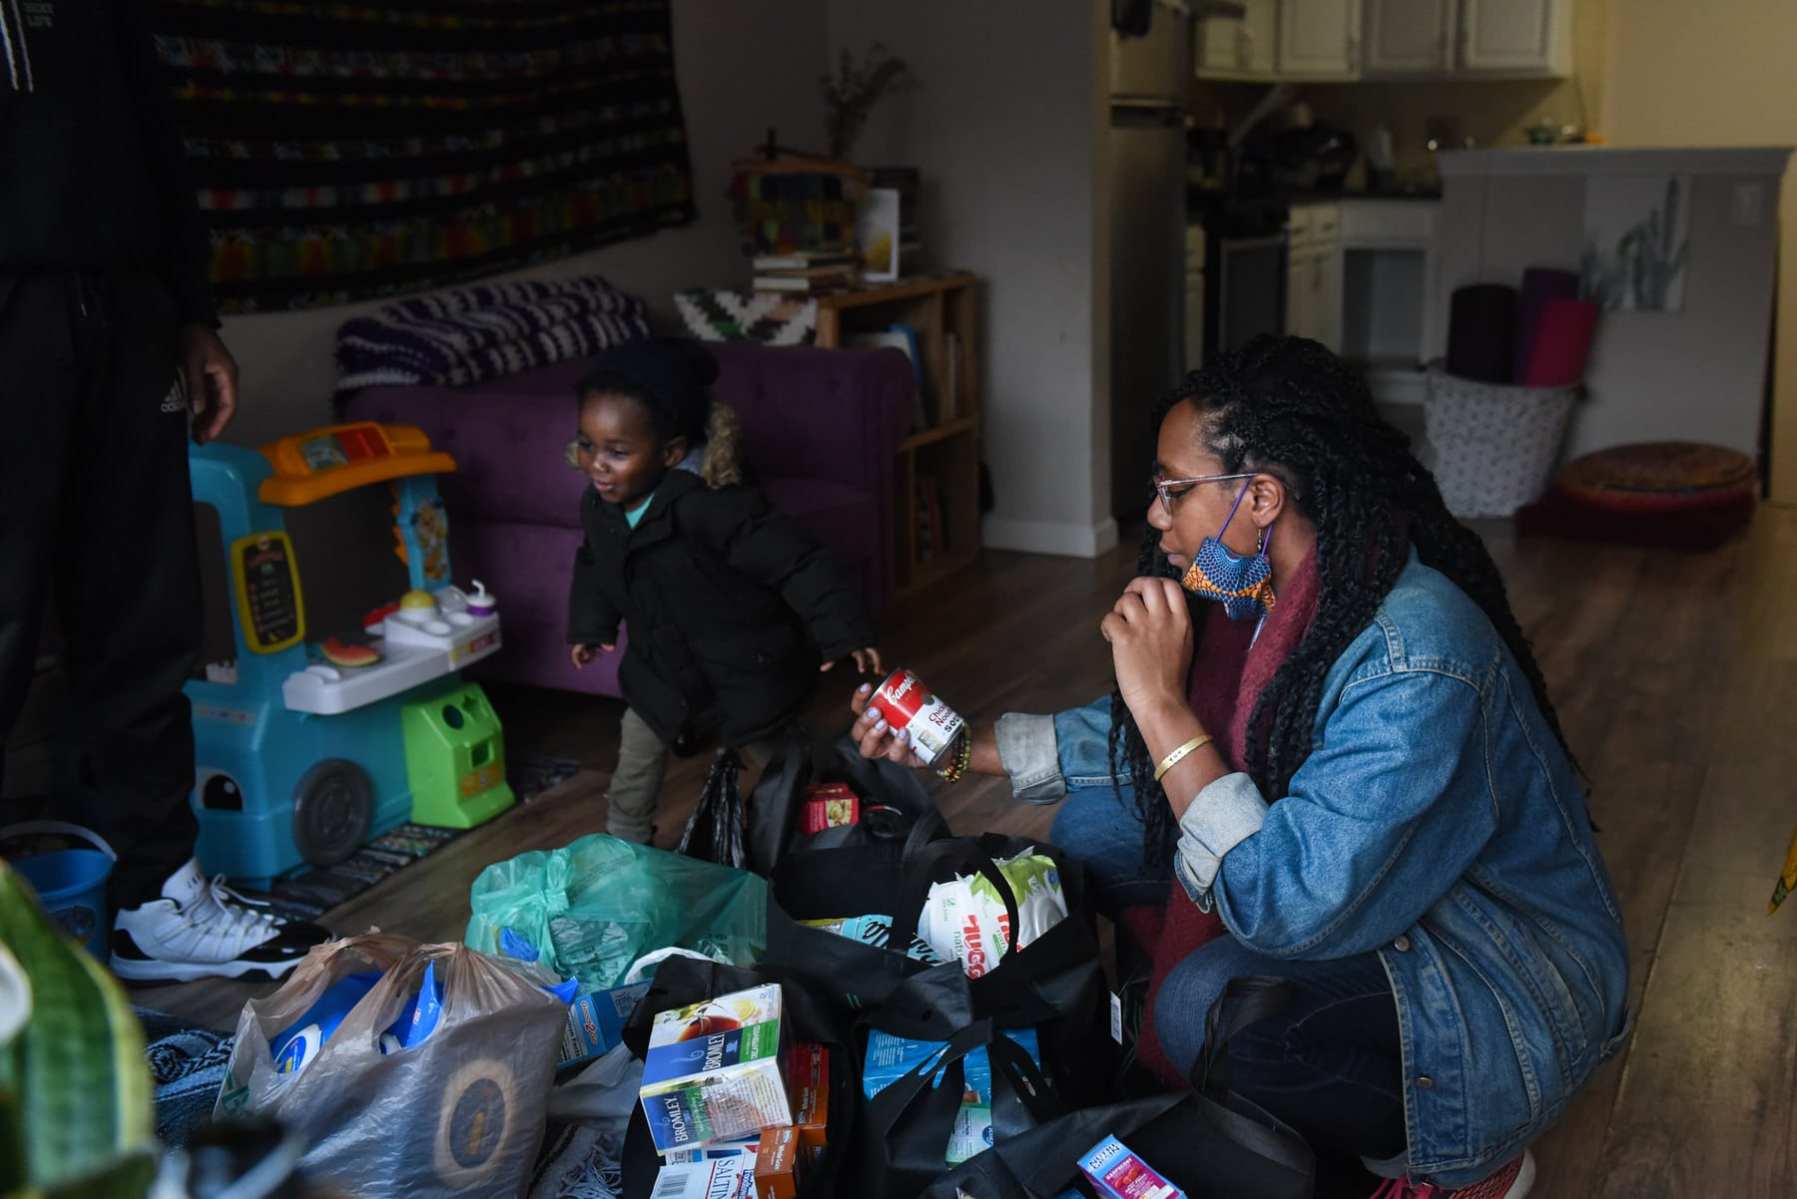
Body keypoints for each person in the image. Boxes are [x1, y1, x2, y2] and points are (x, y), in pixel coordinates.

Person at [852, 337, 1629, 1198]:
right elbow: (1143, 747)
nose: (1153, 514)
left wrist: (1161, 705)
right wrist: (958, 745)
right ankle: (1232, 1061)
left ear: (1259, 496)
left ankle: (1457, 1162)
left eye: (1171, 490)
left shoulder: (1413, 659)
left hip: (1490, 970)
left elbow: (1281, 903)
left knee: (1206, 1005)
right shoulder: (1268, 591)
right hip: (1372, 892)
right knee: (1092, 831)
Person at [0, 0, 330, 980]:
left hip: (124, 302)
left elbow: (149, 127)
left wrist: (192, 310)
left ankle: (153, 893)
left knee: (145, 609)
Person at [568, 339, 882, 841]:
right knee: (635, 754)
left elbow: (796, 561)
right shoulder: (600, 507)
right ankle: (624, 851)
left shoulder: (715, 507)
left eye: (618, 452)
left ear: (671, 453)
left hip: (742, 668)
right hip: (663, 672)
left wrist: (841, 630)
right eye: (587, 445)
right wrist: (591, 623)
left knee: (779, 761)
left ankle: (839, 813)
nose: (597, 464)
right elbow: (595, 563)